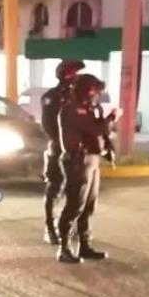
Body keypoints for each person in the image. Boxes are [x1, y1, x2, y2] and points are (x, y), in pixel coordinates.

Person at [57, 75, 122, 264]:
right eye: (94, 90)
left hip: (92, 160)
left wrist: (108, 149)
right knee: (75, 205)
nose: (97, 94)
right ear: (85, 90)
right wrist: (111, 118)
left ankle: (84, 246)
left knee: (88, 206)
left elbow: (101, 132)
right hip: (78, 161)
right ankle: (64, 247)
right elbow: (93, 130)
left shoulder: (90, 108)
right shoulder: (72, 109)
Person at [40, 59, 85, 245]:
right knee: (54, 188)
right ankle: (50, 228)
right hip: (58, 149)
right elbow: (48, 125)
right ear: (64, 75)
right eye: (72, 73)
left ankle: (68, 227)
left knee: (74, 190)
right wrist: (63, 142)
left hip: (76, 150)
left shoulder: (77, 97)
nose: (75, 77)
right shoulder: (52, 96)